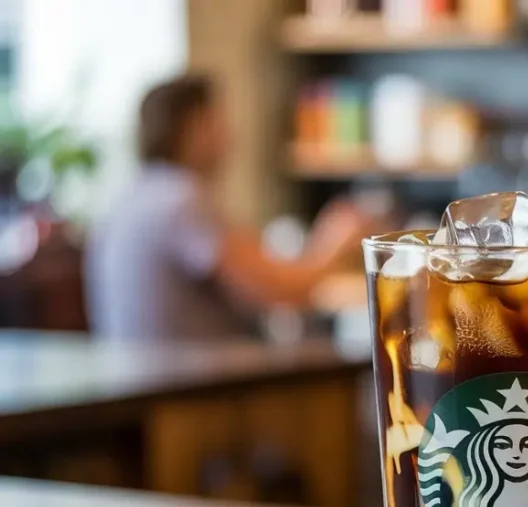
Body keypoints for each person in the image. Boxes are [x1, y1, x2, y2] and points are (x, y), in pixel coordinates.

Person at [86, 75, 355, 342]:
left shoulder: (129, 197)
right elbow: (282, 291)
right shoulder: (179, 201)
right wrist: (339, 243)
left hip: (146, 375)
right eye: (217, 120)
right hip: (196, 378)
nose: (230, 134)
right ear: (194, 128)